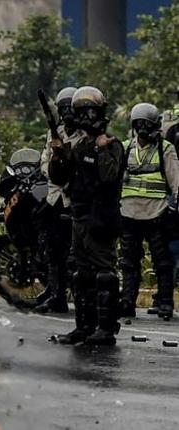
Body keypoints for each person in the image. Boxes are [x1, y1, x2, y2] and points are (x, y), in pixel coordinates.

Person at [49, 86, 125, 346]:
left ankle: (105, 328)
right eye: (82, 112)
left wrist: (102, 150)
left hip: (101, 217)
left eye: (91, 111)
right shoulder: (79, 146)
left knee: (104, 273)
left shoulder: (112, 146)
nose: (86, 117)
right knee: (81, 275)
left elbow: (109, 177)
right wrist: (58, 154)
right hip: (79, 216)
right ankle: (84, 326)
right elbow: (59, 177)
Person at [118, 103, 179, 321]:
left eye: (147, 124)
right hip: (129, 214)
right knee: (128, 262)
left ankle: (165, 303)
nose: (143, 129)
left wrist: (174, 208)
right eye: (139, 124)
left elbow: (176, 180)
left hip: (157, 213)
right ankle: (127, 302)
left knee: (162, 261)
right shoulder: (125, 148)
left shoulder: (165, 148)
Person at [34, 87, 83, 314]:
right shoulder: (54, 134)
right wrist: (55, 159)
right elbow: (44, 163)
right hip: (55, 197)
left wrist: (66, 158)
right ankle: (56, 295)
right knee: (53, 250)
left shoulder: (84, 135)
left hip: (75, 199)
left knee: (76, 253)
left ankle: (82, 297)